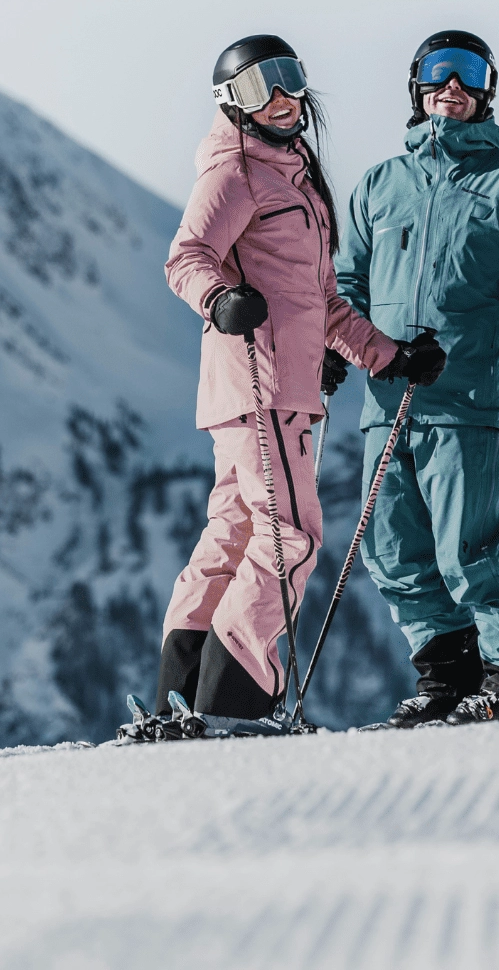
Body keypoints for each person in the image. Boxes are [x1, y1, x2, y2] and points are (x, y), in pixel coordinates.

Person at [160, 35, 444, 721]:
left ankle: (185, 689)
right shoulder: (235, 171)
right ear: (235, 104)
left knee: (234, 530)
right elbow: (187, 256)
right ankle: (236, 697)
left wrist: (388, 356)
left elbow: (321, 302)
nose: (283, 97)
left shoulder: (292, 176)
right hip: (259, 383)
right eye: (262, 86)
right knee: (290, 534)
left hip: (271, 389)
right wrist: (221, 300)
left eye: (290, 79)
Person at [337, 31, 499, 726]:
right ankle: (449, 676)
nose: (452, 84)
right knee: (394, 556)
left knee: (467, 555)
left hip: (467, 401)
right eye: (437, 72)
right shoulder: (380, 185)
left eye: (469, 73)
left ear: (487, 91)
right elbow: (345, 283)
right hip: (388, 399)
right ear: (416, 87)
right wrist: (337, 346)